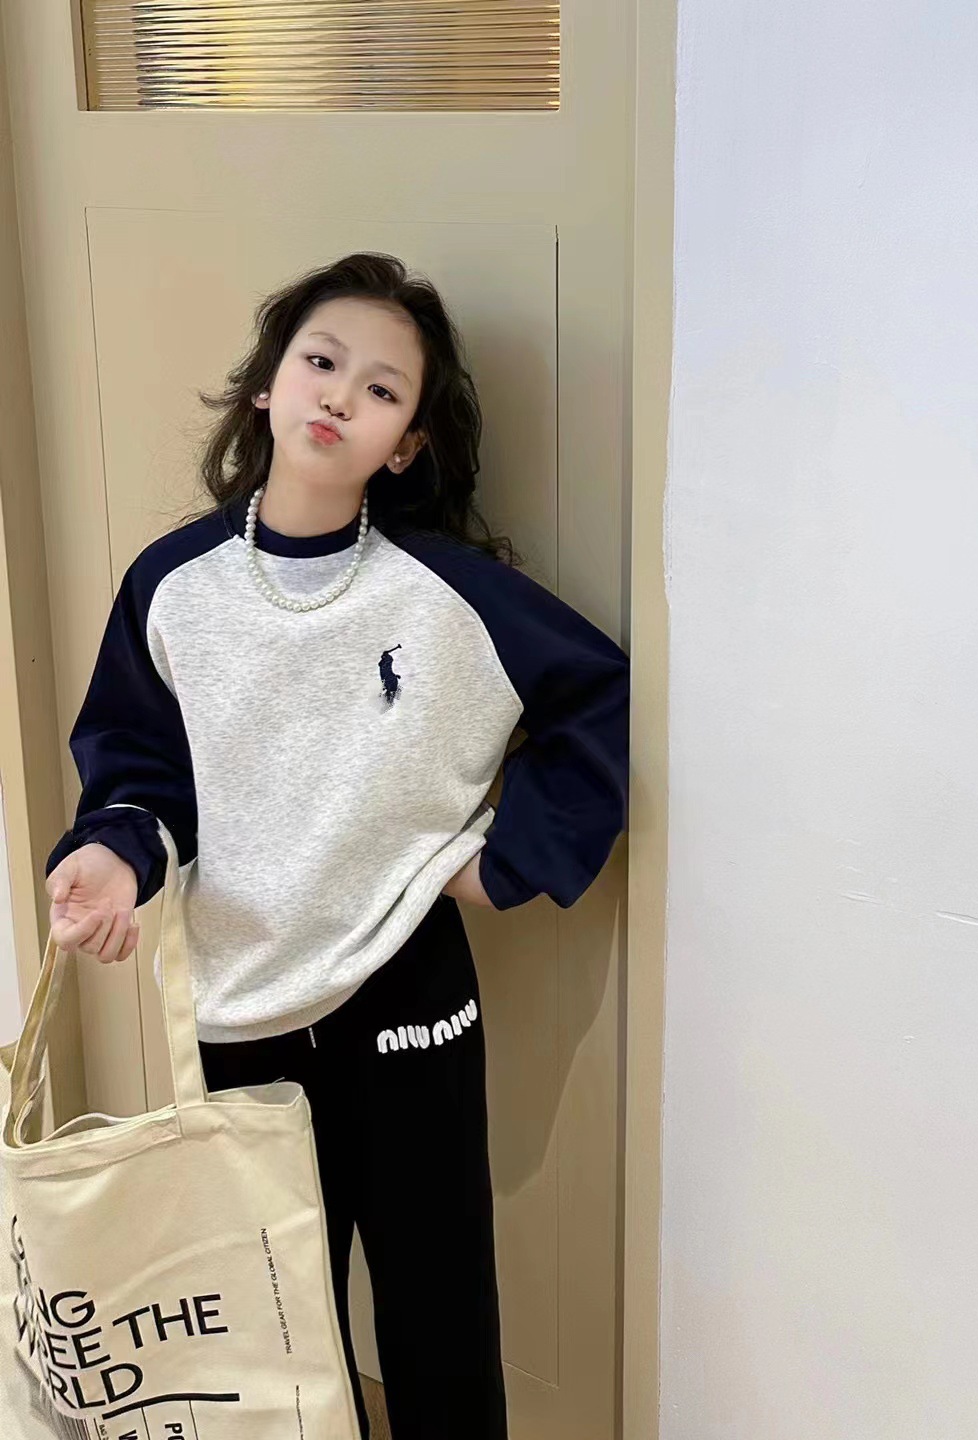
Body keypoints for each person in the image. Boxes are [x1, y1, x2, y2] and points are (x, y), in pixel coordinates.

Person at [43, 252, 630, 1439]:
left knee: (439, 1321)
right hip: (238, 1007)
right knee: (269, 1335)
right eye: (321, 361)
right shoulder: (172, 585)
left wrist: (508, 861)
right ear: (267, 384)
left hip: (409, 997)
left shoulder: (451, 592)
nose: (339, 396)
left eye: (381, 389)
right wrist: (113, 853)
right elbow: (143, 769)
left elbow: (597, 699)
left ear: (405, 444)